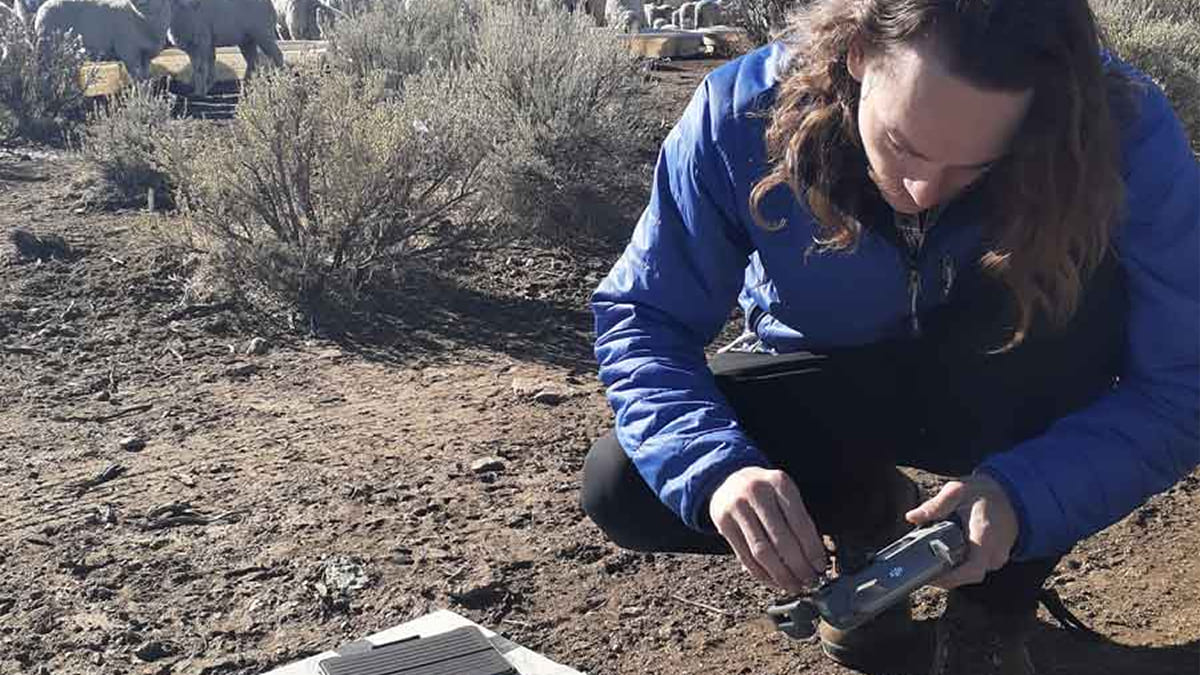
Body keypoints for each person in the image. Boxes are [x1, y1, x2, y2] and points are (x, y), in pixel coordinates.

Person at [579, 1, 1199, 674]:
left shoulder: (1120, 129)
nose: (922, 189)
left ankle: (992, 616)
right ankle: (874, 520)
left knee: (1084, 317)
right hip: (834, 380)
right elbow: (644, 315)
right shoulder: (739, 114)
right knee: (623, 482)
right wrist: (715, 469)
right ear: (856, 54)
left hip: (1015, 384)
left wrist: (1025, 495)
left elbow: (1182, 383)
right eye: (902, 145)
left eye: (978, 166)